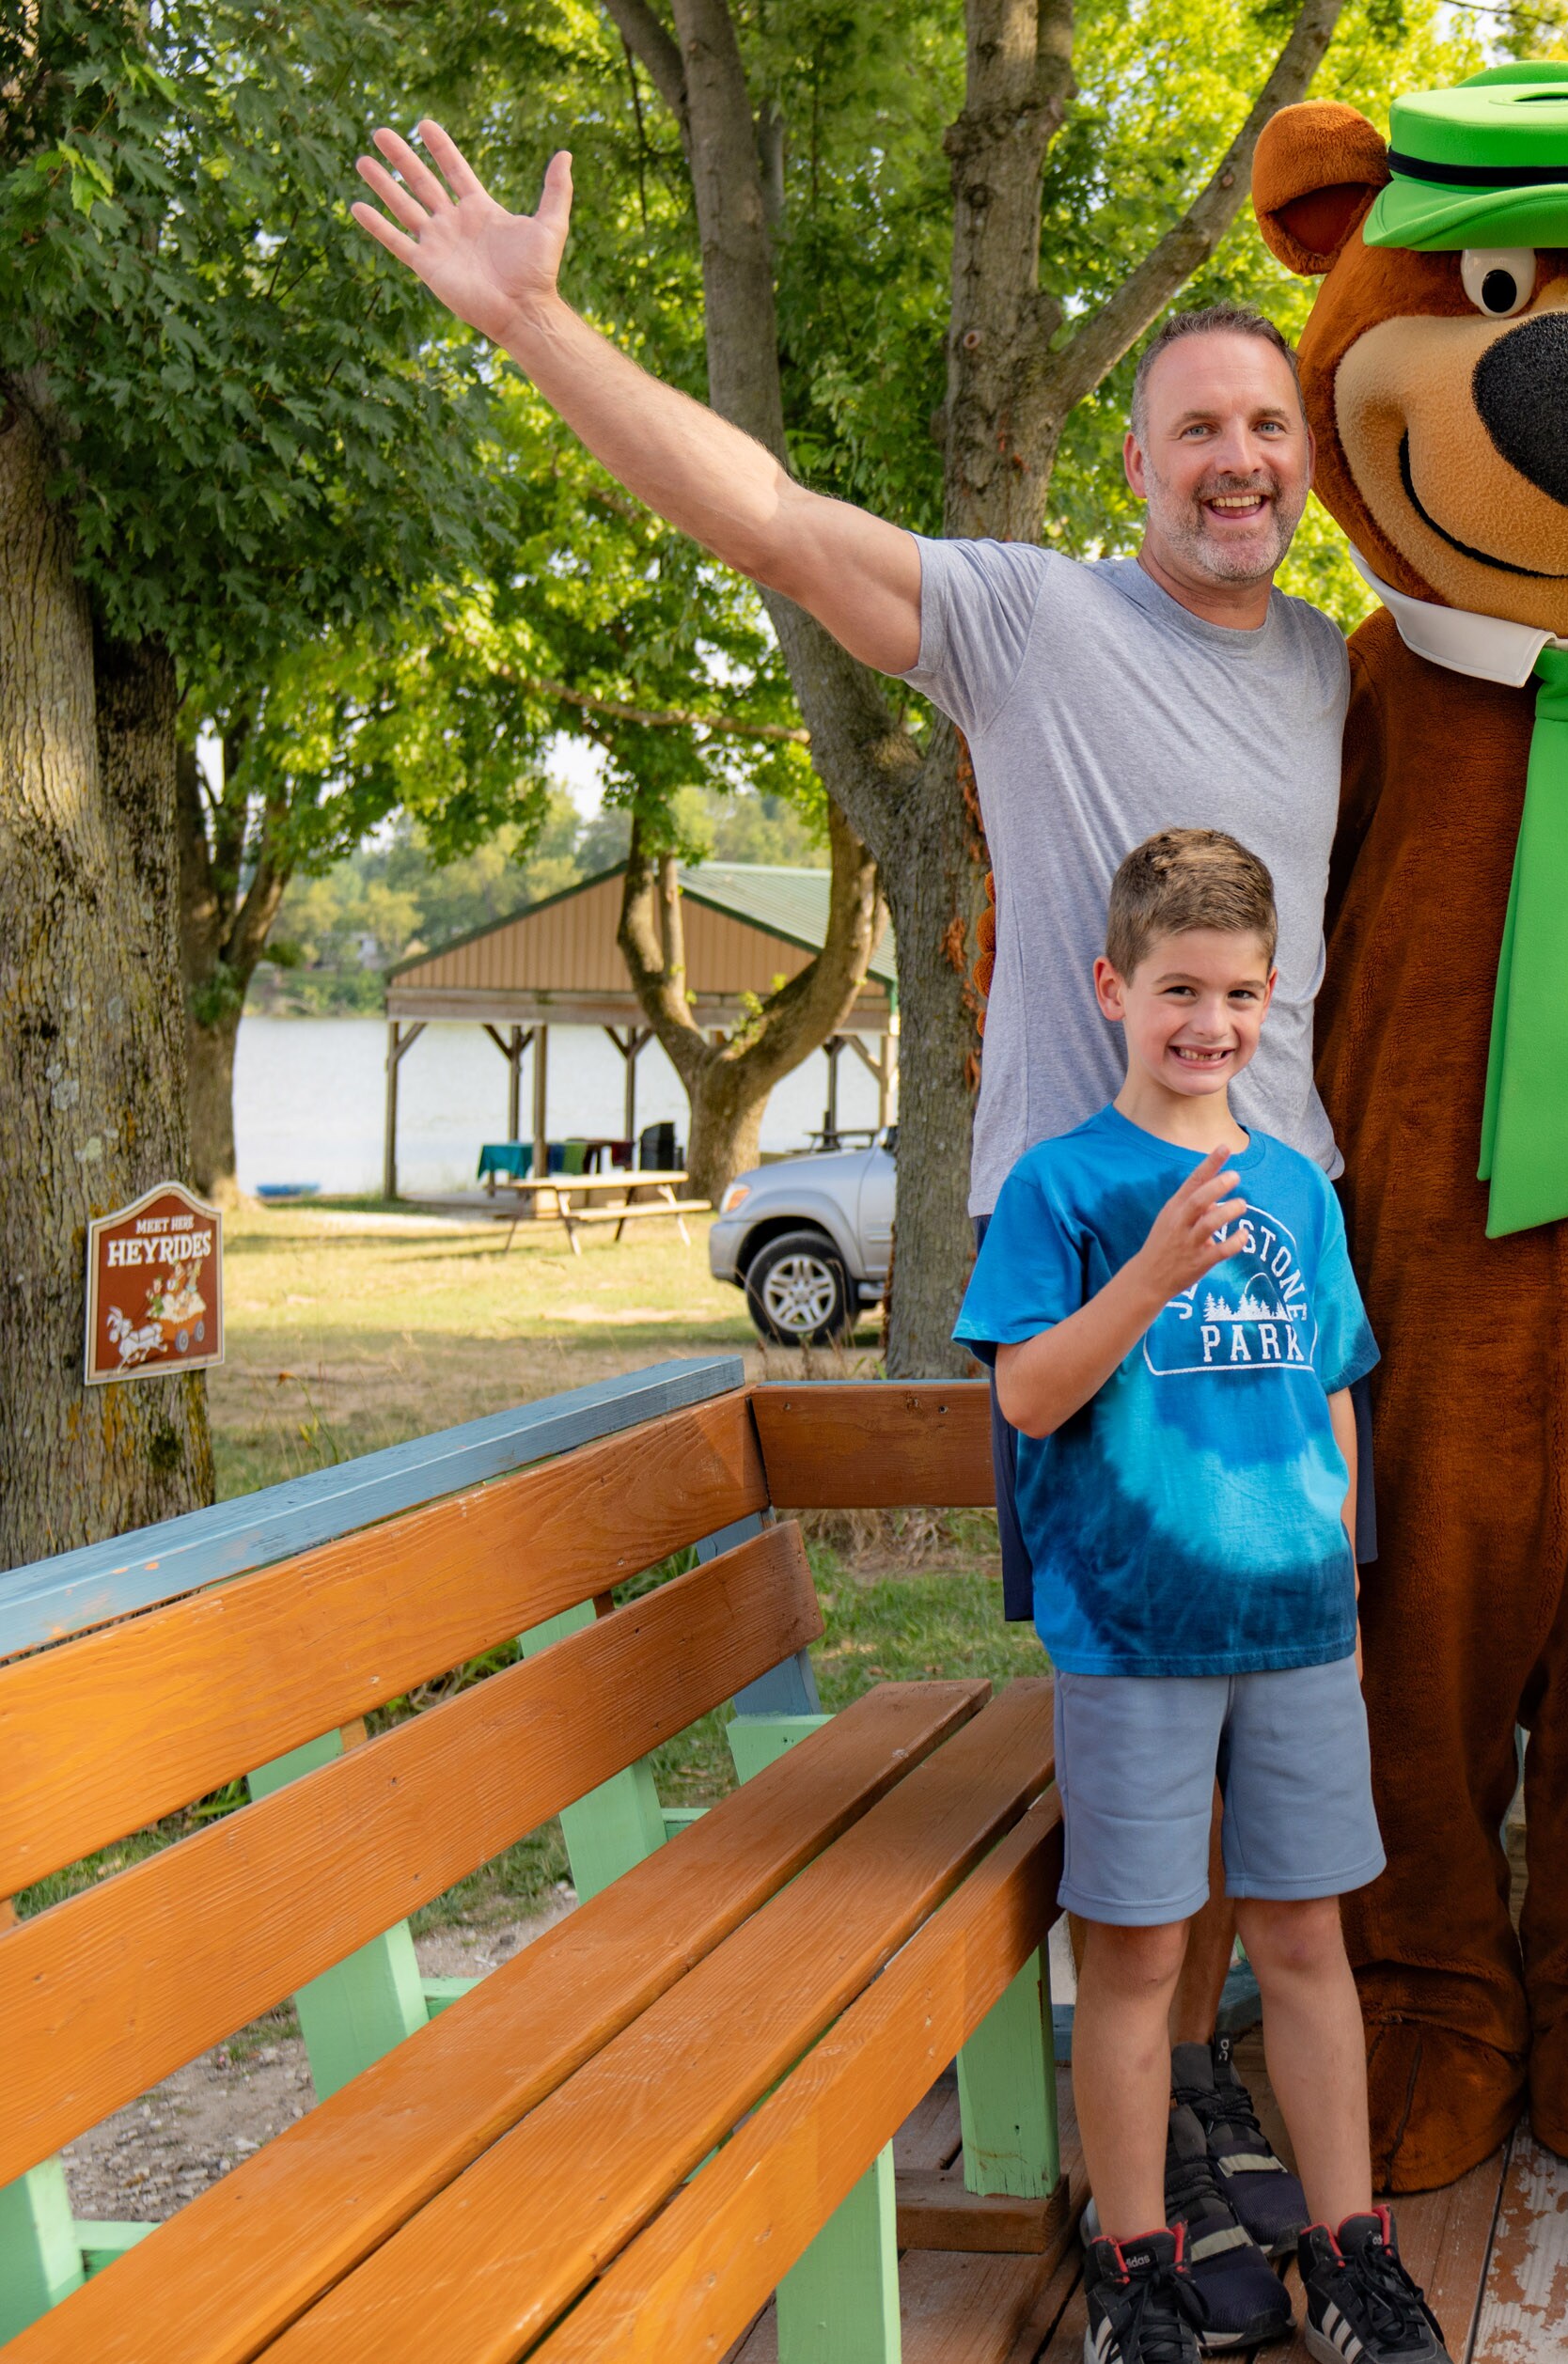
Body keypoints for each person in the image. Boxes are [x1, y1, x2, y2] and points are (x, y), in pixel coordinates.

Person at [350, 124, 1348, 2238]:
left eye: (1268, 424)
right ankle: (1136, 2161)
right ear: (1137, 464)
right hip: (1087, 1257)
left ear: (1308, 456)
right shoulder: (1026, 626)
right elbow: (776, 519)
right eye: (1195, 428)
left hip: (1287, 1256)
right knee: (1131, 1728)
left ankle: (1221, 2107)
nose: (1236, 459)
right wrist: (536, 325)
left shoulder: (1337, 671)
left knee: (1278, 1725)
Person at [960, 833, 1448, 2364]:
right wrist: (1152, 1275)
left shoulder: (1296, 1188)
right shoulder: (1064, 1189)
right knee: (1141, 1957)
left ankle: (1351, 2251)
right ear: (1113, 988)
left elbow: (1335, 1399)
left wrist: (1348, 1604)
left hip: (1295, 1632)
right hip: (1132, 1637)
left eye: (1237, 993)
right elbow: (1030, 1396)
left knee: (1304, 1940)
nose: (1207, 1023)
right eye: (1177, 988)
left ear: (1272, 996)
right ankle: (1136, 2273)